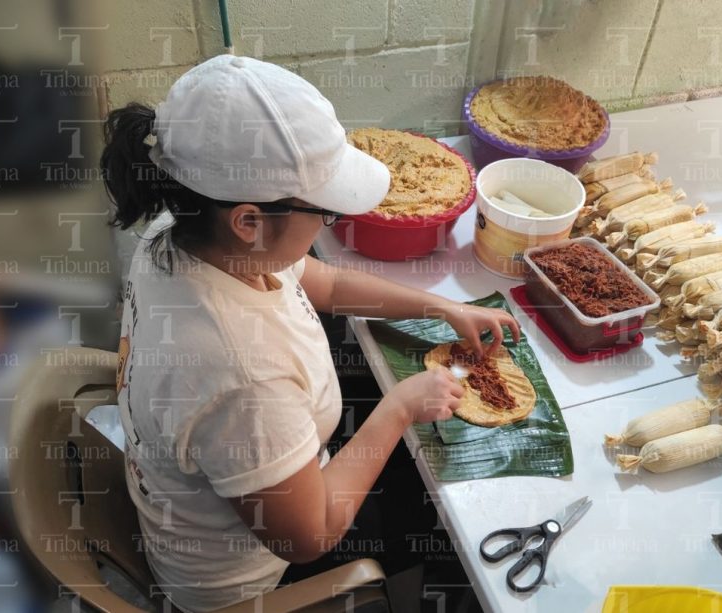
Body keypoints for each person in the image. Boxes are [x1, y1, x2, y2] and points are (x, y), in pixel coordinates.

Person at [101, 55, 519, 613]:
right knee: (447, 515)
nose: (330, 224)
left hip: (227, 490)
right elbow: (311, 536)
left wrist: (440, 307)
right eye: (324, 212)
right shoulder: (241, 373)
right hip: (251, 581)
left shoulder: (184, 230)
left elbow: (322, 280)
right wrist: (398, 408)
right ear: (249, 221)